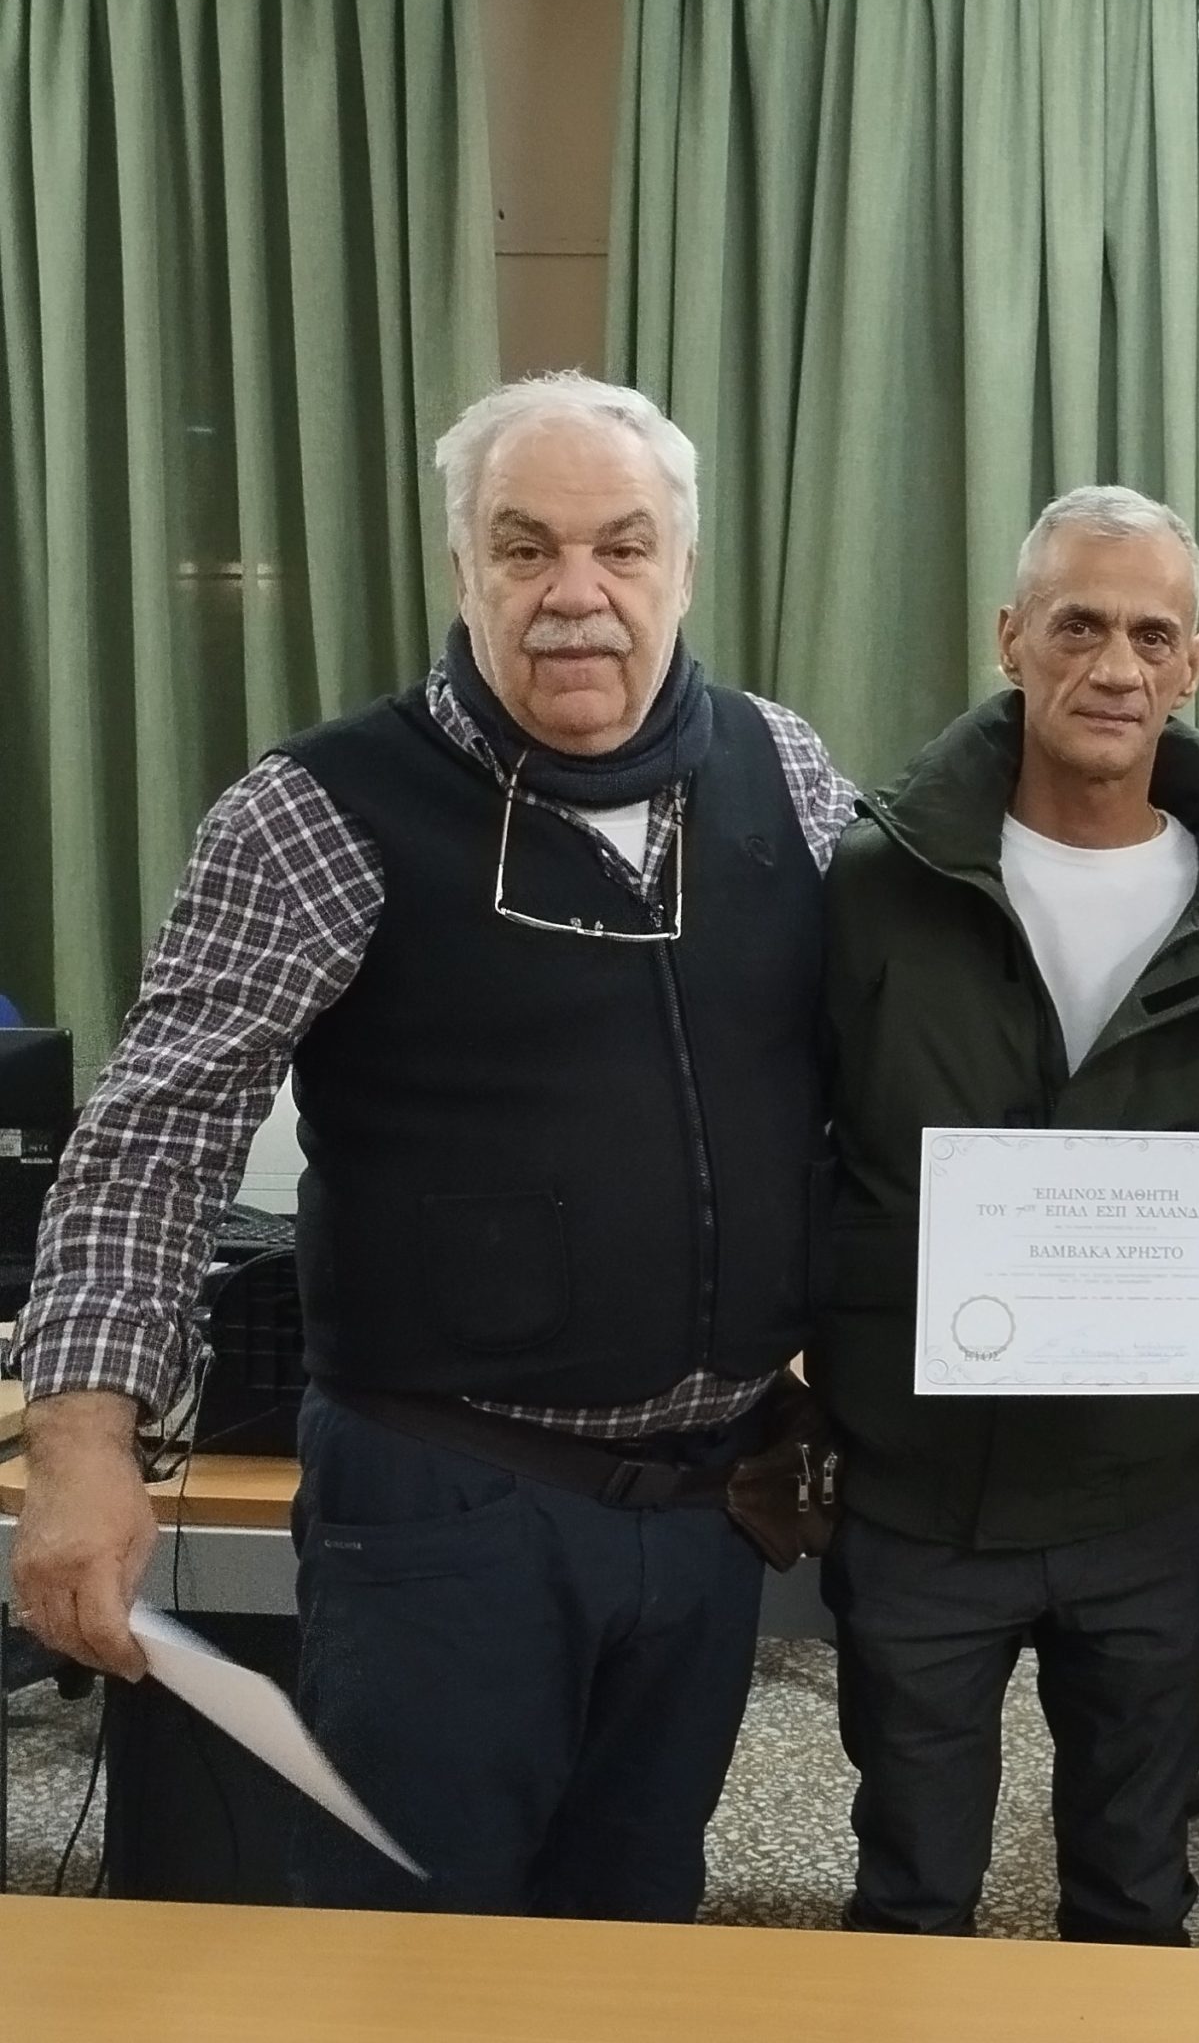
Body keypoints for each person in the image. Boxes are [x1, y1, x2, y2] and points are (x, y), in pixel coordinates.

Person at [7, 372, 860, 1918]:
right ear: (463, 565)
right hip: (444, 1509)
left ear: (684, 564)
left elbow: (893, 1064)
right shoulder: (314, 814)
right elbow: (148, 1146)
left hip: (708, 1506)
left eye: (622, 547)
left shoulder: (787, 771)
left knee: (635, 1926)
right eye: (526, 549)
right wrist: (80, 1447)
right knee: (405, 1943)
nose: (577, 594)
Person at [811, 485, 1199, 1945]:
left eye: (1151, 635)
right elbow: (802, 1144)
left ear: (1194, 664)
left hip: (1144, 1491)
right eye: (1078, 627)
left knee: (1134, 1898)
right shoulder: (874, 884)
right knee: (911, 1892)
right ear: (1012, 638)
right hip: (917, 1490)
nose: (1114, 666)